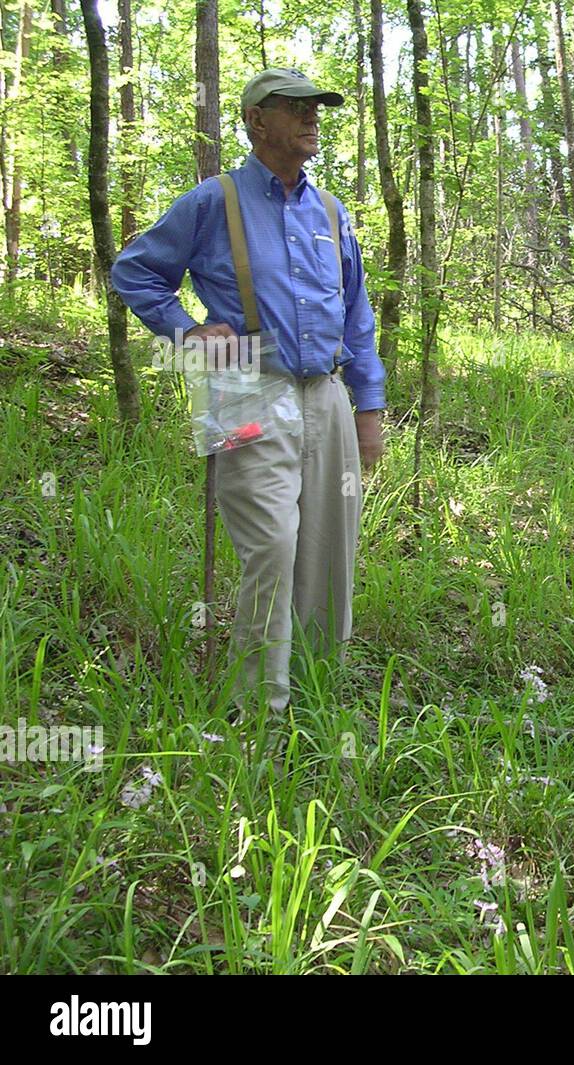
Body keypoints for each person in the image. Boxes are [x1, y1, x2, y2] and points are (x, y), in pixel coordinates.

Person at [112, 68, 386, 716]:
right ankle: (259, 713)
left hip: (326, 396)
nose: (311, 117)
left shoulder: (330, 210)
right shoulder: (216, 201)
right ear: (257, 120)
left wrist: (368, 405)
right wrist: (186, 330)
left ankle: (317, 692)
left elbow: (357, 311)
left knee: (328, 551)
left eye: (315, 107)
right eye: (295, 107)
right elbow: (135, 271)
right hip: (248, 390)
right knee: (272, 547)